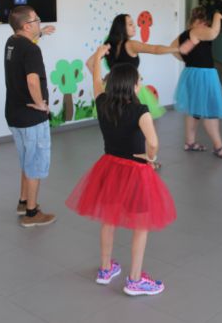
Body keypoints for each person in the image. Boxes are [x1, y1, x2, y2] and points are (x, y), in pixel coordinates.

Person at [66, 45, 176, 296]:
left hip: (109, 167)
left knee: (109, 219)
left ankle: (106, 269)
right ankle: (135, 280)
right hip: (136, 172)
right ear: (132, 86)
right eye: (139, 80)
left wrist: (98, 54)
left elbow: (94, 74)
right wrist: (151, 157)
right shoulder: (140, 111)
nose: (141, 82)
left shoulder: (102, 101)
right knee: (141, 225)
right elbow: (154, 142)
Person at [4, 5, 57, 227]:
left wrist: (41, 33)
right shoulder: (32, 50)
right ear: (27, 26)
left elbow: (26, 45)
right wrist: (41, 104)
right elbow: (33, 80)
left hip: (14, 114)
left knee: (26, 160)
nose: (38, 23)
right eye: (36, 21)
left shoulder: (12, 42)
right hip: (31, 117)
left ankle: (23, 201)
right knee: (35, 163)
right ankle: (32, 214)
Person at [86, 13, 179, 119]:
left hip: (112, 88)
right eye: (130, 24)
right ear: (121, 28)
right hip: (131, 89)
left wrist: (102, 82)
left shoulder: (108, 45)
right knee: (135, 122)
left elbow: (89, 63)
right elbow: (154, 49)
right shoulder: (131, 44)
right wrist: (176, 49)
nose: (134, 26)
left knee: (117, 122)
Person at [172, 7, 222, 159]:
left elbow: (174, 50)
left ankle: (190, 143)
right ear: (204, 20)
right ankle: (219, 147)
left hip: (192, 73)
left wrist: (187, 59)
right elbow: (213, 33)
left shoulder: (185, 34)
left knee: (194, 110)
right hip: (203, 75)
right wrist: (218, 16)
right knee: (210, 110)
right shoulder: (199, 30)